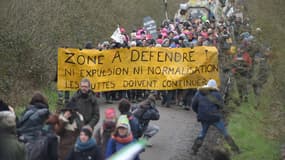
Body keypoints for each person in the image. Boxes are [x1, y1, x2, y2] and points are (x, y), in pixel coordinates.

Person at [191, 79, 240, 155]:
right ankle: (236, 149)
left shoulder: (199, 93)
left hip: (203, 117)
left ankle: (194, 149)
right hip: (214, 117)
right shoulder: (217, 94)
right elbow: (221, 106)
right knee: (224, 132)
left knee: (203, 133)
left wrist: (199, 112)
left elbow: (193, 105)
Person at [17, 92, 58, 160]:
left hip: (25, 145)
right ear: (44, 101)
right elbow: (49, 132)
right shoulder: (47, 113)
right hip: (41, 148)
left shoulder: (25, 113)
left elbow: (20, 127)